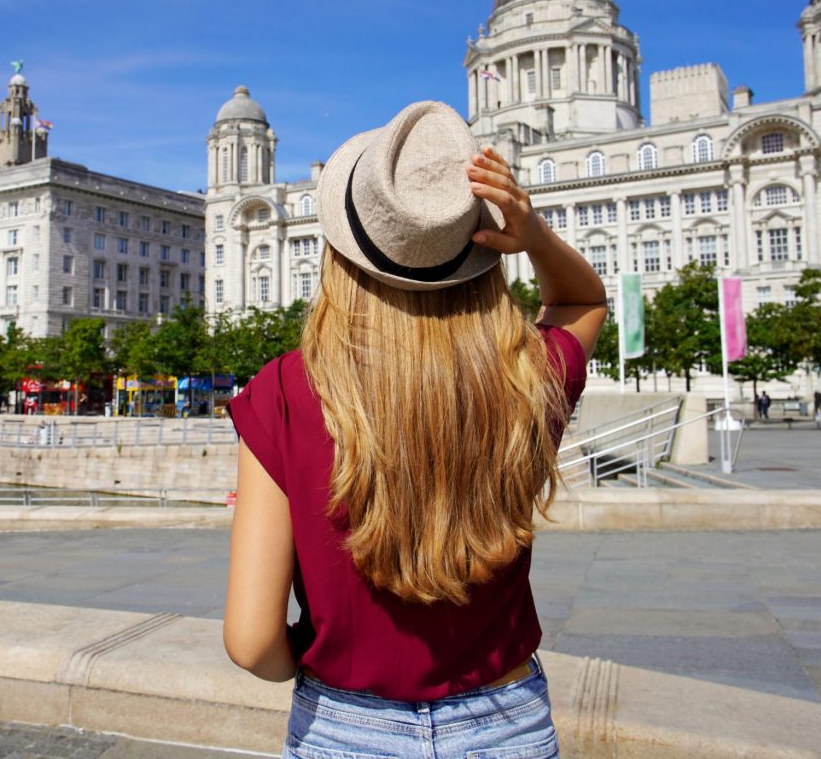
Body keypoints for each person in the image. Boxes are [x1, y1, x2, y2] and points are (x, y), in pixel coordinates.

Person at [223, 101, 606, 758]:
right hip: (507, 723)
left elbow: (252, 639)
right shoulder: (528, 375)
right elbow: (581, 301)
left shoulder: (286, 389)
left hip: (344, 727)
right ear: (481, 247)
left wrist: (310, 669)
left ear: (343, 254)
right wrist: (534, 235)